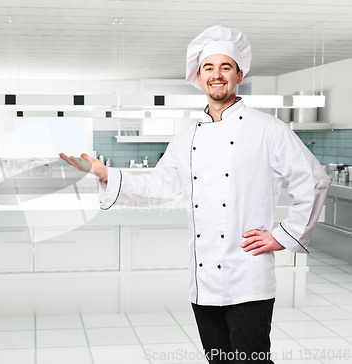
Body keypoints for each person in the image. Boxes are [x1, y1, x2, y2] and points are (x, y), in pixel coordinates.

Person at [60, 25, 330, 364]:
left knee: (251, 362)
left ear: (239, 74)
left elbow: (315, 180)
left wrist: (282, 236)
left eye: (225, 67)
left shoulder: (267, 128)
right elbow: (157, 186)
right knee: (218, 360)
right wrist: (104, 173)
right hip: (203, 282)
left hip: (248, 277)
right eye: (209, 68)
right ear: (199, 77)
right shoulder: (186, 138)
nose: (217, 75)